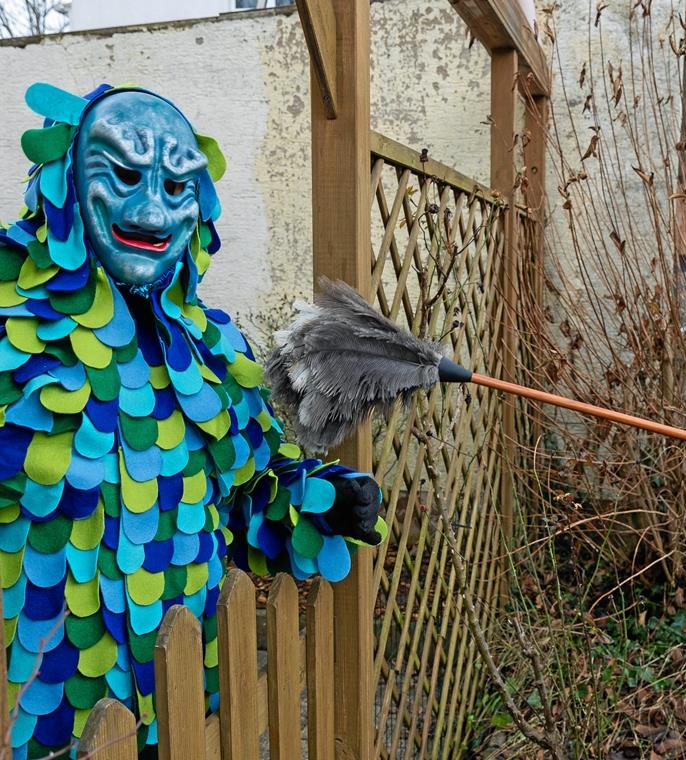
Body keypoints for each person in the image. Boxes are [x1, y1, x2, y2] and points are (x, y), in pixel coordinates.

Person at [1, 83, 386, 758]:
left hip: (185, 715)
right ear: (67, 180)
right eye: (121, 175)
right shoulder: (10, 334)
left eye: (177, 188)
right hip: (39, 721)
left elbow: (243, 501)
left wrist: (319, 501)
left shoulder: (213, 354)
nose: (151, 210)